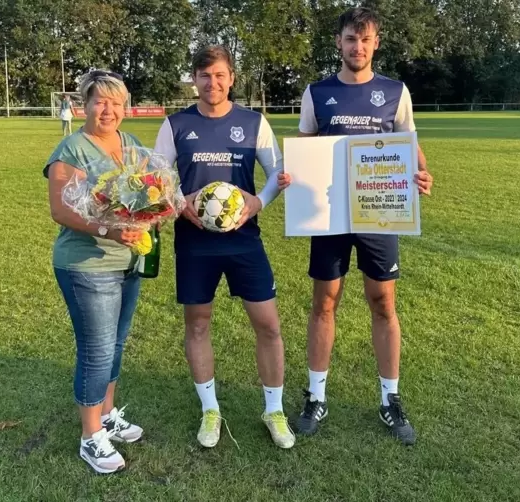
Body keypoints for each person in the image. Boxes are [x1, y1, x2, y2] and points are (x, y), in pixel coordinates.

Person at [287, 7, 434, 445]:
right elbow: (307, 146)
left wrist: (422, 172)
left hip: (378, 211)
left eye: (365, 39)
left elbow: (408, 144)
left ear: (376, 43)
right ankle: (315, 396)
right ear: (339, 42)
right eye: (351, 38)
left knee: (383, 302)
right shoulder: (318, 92)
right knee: (325, 301)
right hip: (328, 214)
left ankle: (390, 398)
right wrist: (296, 173)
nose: (358, 47)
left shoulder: (395, 91)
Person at [153, 45, 295, 449]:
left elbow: (276, 173)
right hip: (195, 242)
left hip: (245, 241)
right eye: (203, 75)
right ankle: (210, 409)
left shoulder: (253, 122)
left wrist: (258, 202)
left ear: (231, 77)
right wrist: (181, 204)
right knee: (197, 324)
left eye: (219, 75)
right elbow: (159, 179)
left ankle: (274, 410)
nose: (211, 83)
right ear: (194, 80)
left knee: (268, 325)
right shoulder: (175, 125)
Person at [44, 70, 148, 474]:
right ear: (84, 106)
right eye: (99, 101)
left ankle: (105, 416)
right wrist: (108, 229)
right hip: (87, 264)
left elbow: (151, 190)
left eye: (115, 102)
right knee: (96, 350)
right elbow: (61, 210)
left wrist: (155, 211)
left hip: (129, 260)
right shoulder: (71, 150)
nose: (108, 110)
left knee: (116, 344)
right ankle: (90, 438)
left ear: (125, 107)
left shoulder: (132, 144)